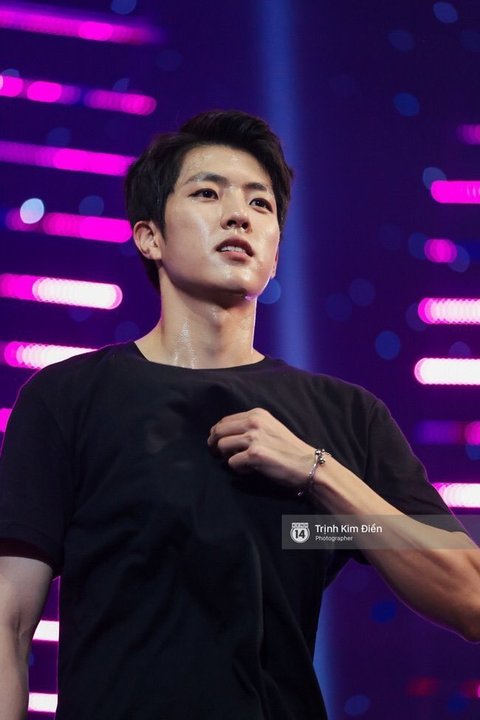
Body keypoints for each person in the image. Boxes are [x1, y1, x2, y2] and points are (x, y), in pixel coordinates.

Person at [0, 110, 479, 720]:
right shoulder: (68, 398)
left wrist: (318, 472)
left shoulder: (345, 417)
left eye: (260, 204)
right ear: (149, 237)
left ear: (276, 250)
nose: (239, 216)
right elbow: (9, 621)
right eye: (208, 193)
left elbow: (470, 595)